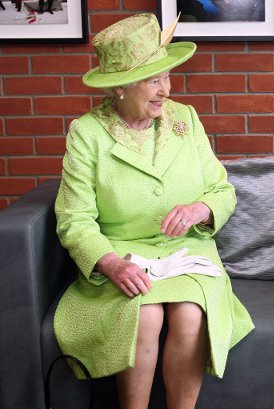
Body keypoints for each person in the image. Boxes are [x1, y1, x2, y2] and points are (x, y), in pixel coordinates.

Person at [53, 13, 254, 409]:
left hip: (186, 251)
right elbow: (74, 219)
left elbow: (222, 190)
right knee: (143, 315)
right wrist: (110, 264)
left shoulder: (186, 119)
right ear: (121, 87)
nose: (166, 89)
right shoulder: (86, 133)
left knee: (190, 313)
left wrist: (201, 209)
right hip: (122, 253)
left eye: (166, 76)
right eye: (153, 79)